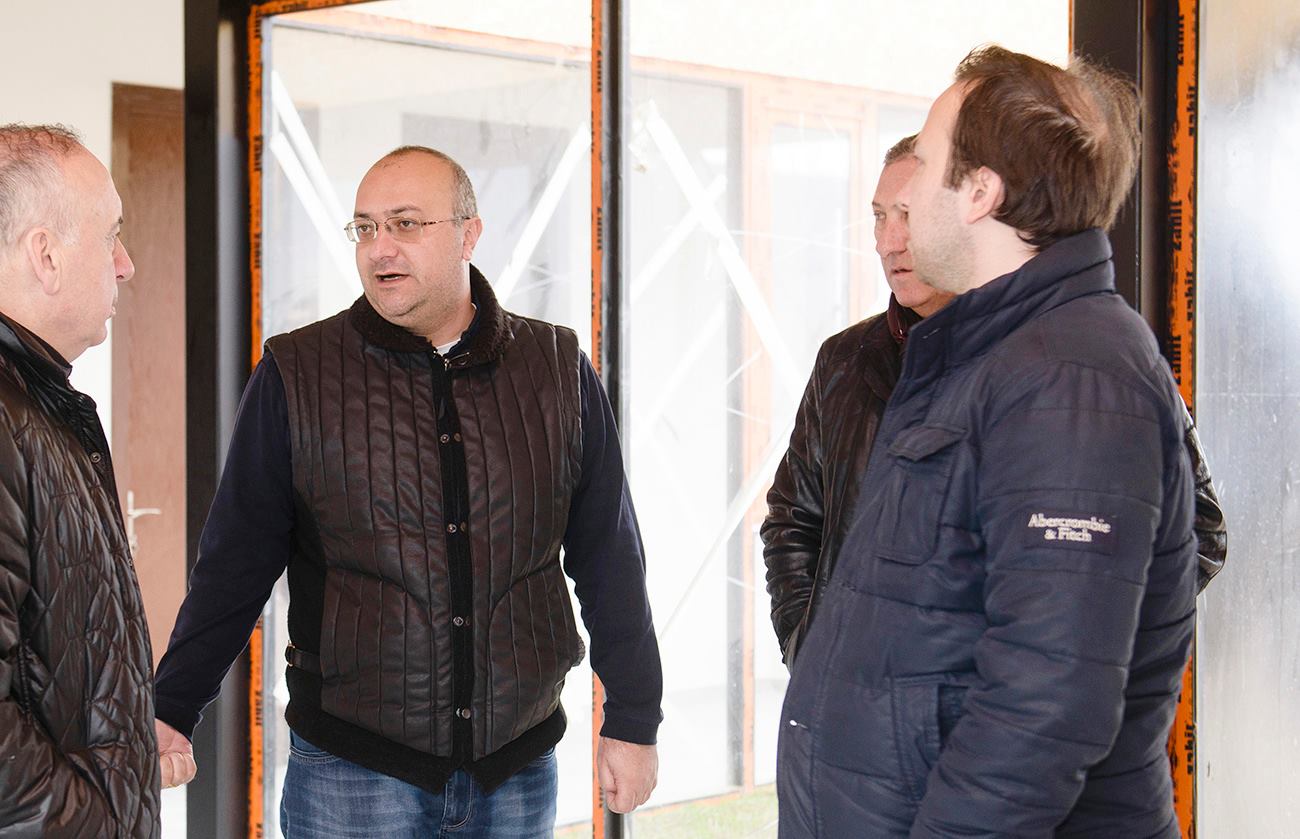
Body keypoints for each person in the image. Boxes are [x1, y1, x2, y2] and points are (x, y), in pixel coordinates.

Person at [153, 146, 662, 836]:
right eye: (365, 228)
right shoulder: (296, 374)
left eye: (405, 224)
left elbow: (609, 555)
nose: (380, 248)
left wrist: (633, 716)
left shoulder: (557, 368)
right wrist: (172, 705)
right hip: (352, 771)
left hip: (515, 768)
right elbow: (234, 564)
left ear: (468, 234)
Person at [776, 47, 1199, 837]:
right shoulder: (988, 356)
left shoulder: (1071, 377)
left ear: (980, 192)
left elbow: (1044, 705)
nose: (909, 195)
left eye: (930, 161)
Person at [764, 135, 1227, 668]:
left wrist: (1062, 662)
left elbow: (1197, 531)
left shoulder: (1071, 351)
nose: (888, 243)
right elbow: (792, 521)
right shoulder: (844, 359)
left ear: (968, 217)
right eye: (878, 217)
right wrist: (810, 651)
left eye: (908, 216)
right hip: (854, 699)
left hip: (1008, 705)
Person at [0, 124, 160, 836]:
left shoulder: (37, 407)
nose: (125, 265)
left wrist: (127, 754)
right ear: (46, 255)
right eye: (111, 236)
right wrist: (93, 819)